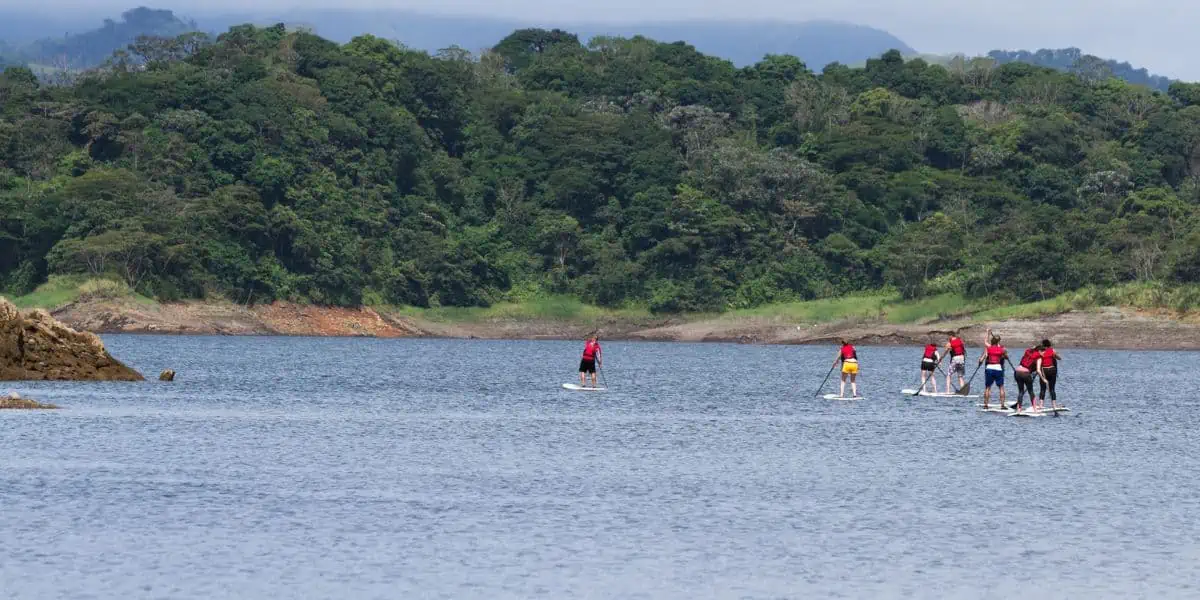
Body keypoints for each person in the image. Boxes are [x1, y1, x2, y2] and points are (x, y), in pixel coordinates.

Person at [977, 329, 1008, 409]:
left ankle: (986, 405)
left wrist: (987, 333)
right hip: (998, 368)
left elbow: (985, 344)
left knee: (987, 387)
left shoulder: (988, 348)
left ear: (992, 341)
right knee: (1001, 387)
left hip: (989, 368)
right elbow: (1006, 357)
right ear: (998, 342)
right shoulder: (1002, 349)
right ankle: (1002, 405)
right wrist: (1004, 354)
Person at [1012, 343, 1041, 412]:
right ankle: (1035, 409)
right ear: (1039, 351)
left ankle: (1019, 409)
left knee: (1021, 392)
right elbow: (1037, 368)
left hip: (1017, 372)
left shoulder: (1027, 351)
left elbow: (1031, 349)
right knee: (1031, 391)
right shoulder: (1039, 356)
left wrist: (1034, 347)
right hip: (1025, 374)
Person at [1037, 339, 1062, 409]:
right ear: (1049, 344)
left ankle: (1041, 405)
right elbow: (1059, 358)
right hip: (1052, 370)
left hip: (1044, 370)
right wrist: (1055, 354)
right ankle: (1054, 405)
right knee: (1052, 389)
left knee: (1042, 388)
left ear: (1043, 345)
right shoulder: (1052, 350)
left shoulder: (1040, 351)